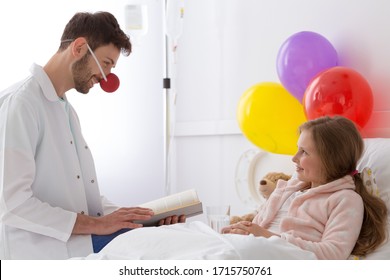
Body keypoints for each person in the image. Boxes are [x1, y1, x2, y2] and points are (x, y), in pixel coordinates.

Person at [0, 11, 184, 260]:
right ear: (79, 47)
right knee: (164, 251)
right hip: (36, 253)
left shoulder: (66, 110)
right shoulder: (21, 103)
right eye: (106, 63)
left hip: (76, 246)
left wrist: (141, 217)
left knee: (168, 239)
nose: (107, 77)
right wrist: (97, 225)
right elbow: (11, 203)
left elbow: (85, 201)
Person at [222, 116, 388, 259]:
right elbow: (258, 226)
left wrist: (268, 237)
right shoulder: (287, 189)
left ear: (330, 159)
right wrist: (241, 230)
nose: (294, 158)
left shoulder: (345, 200)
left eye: (304, 152)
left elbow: (333, 254)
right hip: (251, 251)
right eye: (297, 149)